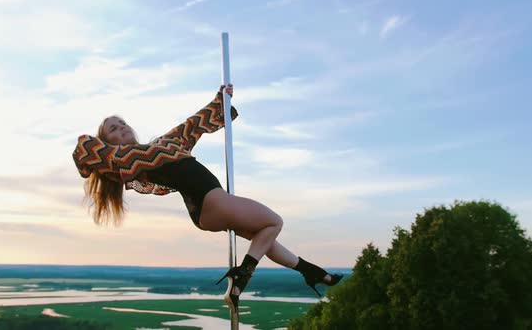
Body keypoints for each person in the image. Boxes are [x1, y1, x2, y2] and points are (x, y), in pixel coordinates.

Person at [72, 84, 343, 312]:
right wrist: (101, 152)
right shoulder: (127, 159)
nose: (121, 127)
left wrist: (221, 99)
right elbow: (84, 148)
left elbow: (192, 125)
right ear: (108, 142)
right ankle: (243, 274)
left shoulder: (161, 144)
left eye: (122, 123)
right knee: (274, 222)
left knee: (265, 237)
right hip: (210, 199)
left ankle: (313, 272)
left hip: (209, 207)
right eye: (112, 129)